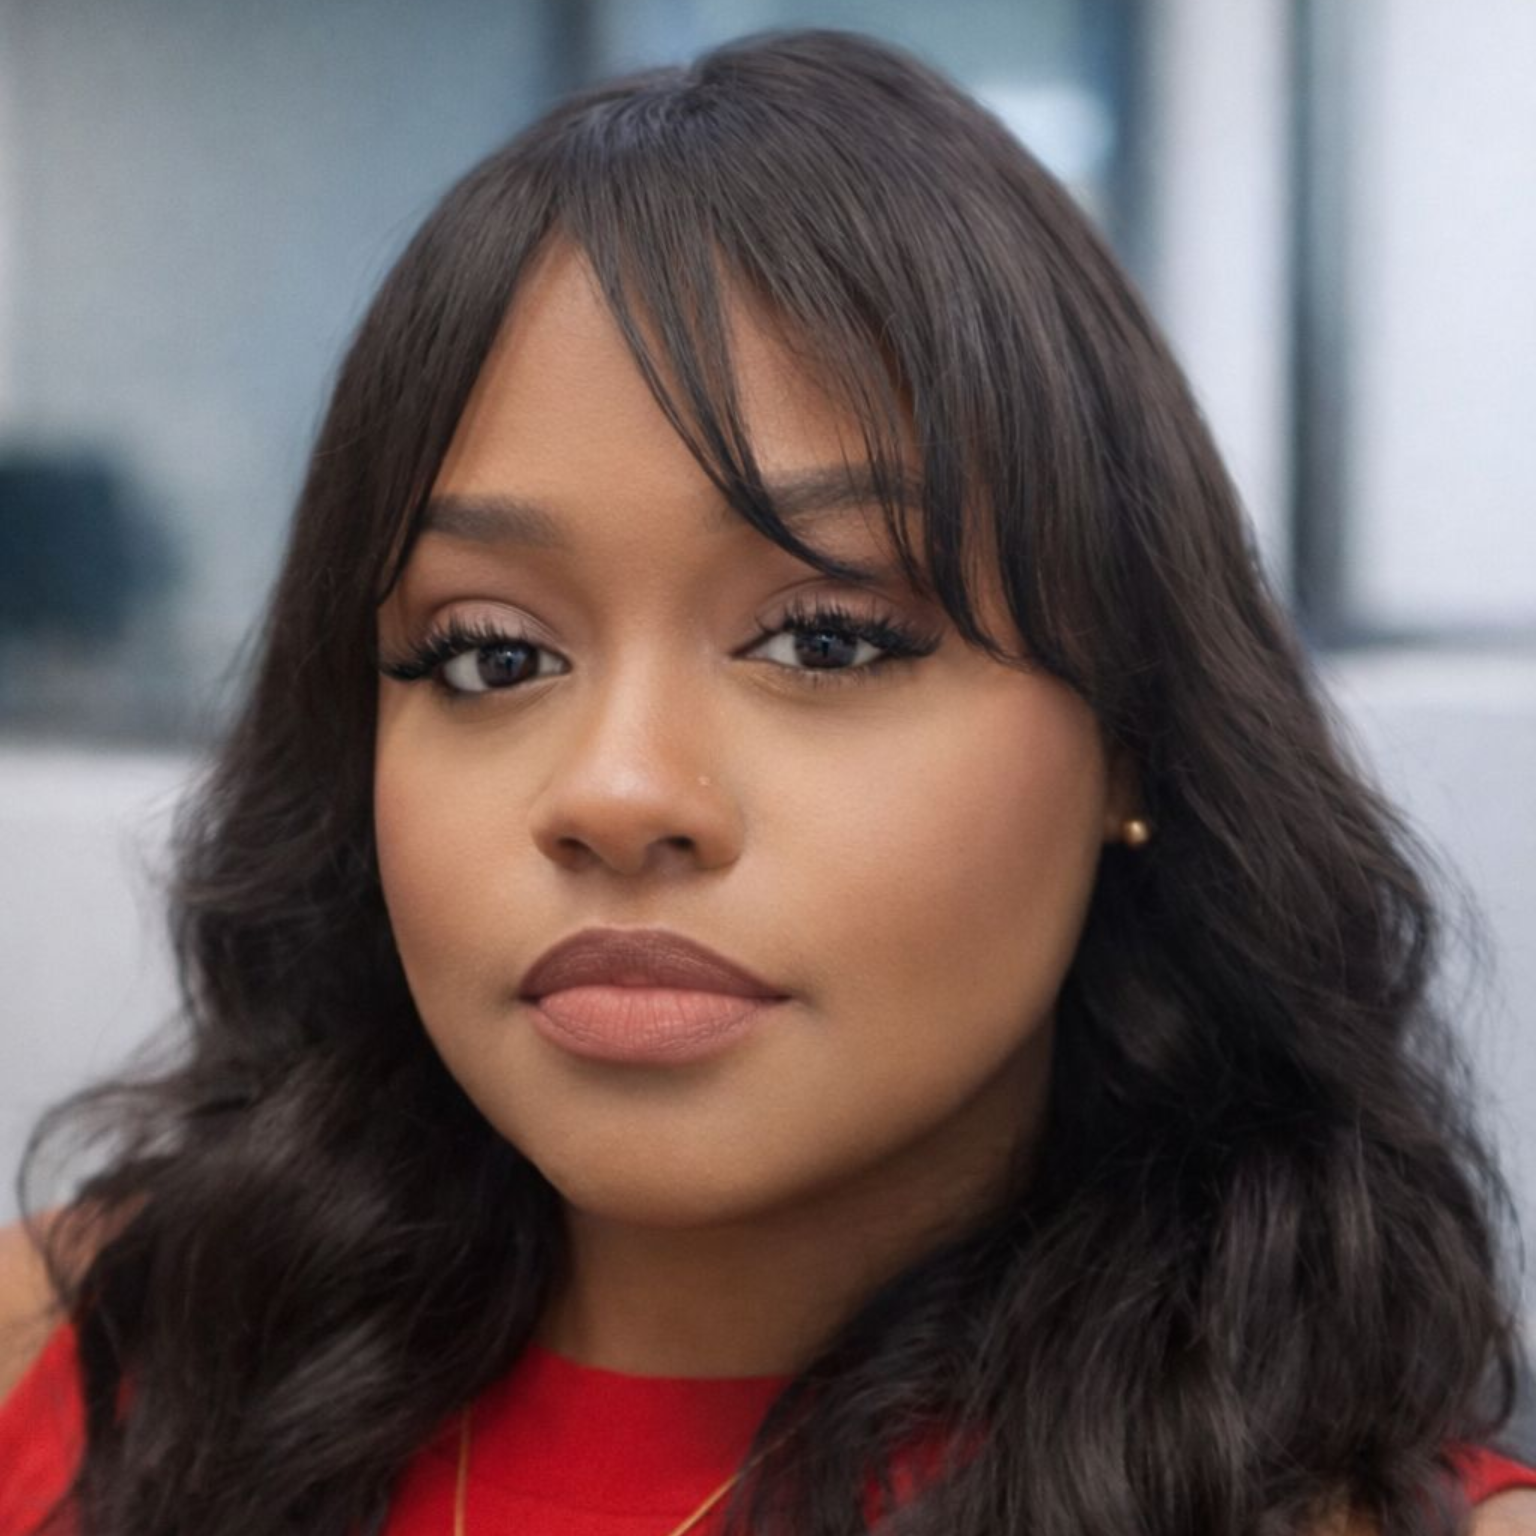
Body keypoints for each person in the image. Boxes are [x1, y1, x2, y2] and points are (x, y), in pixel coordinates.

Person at [0, 24, 1532, 1536]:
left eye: (826, 639)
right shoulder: (79, 1361)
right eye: (492, 655)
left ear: (1132, 732)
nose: (615, 794)